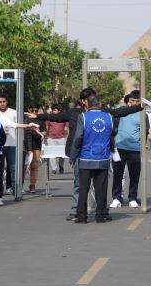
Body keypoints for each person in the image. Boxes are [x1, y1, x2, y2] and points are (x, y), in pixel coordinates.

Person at [25, 87, 143, 221]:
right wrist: (38, 116)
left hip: (99, 155)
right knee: (80, 185)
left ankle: (101, 212)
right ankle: (76, 211)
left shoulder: (102, 112)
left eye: (94, 97)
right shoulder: (75, 113)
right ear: (83, 101)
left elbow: (119, 112)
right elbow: (56, 117)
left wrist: (139, 107)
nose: (93, 100)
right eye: (90, 98)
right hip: (80, 155)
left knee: (100, 186)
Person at [70, 95, 115, 223]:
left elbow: (78, 138)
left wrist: (73, 157)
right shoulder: (109, 117)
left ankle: (81, 216)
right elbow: (114, 132)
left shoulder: (83, 117)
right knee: (101, 189)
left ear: (87, 104)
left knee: (84, 189)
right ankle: (100, 216)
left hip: (86, 158)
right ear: (100, 103)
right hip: (103, 158)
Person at [110, 90, 148, 208]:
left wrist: (143, 146)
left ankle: (132, 198)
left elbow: (145, 132)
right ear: (128, 101)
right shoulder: (121, 112)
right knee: (117, 174)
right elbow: (112, 129)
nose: (135, 103)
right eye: (132, 101)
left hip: (135, 149)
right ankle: (117, 198)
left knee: (134, 175)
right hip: (119, 147)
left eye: (137, 101)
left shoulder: (143, 114)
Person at [0, 94, 17, 195]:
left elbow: (18, 127)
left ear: (7, 102)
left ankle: (14, 188)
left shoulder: (14, 112)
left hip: (12, 144)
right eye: (0, 102)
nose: (2, 103)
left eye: (4, 101)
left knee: (13, 167)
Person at [23, 103, 46, 193]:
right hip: (25, 144)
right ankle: (20, 185)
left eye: (36, 110)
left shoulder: (40, 119)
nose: (34, 112)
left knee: (34, 165)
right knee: (24, 166)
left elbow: (44, 131)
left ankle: (32, 185)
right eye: (32, 110)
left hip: (36, 144)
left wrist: (41, 133)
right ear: (28, 109)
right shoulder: (24, 119)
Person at [45, 104, 68, 174]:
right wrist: (46, 135)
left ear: (59, 110)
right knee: (52, 154)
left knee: (63, 154)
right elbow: (47, 127)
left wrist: (67, 136)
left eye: (55, 110)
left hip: (62, 138)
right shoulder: (49, 117)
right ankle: (54, 169)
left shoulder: (63, 117)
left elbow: (66, 128)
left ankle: (61, 165)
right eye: (52, 109)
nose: (53, 111)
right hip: (51, 138)